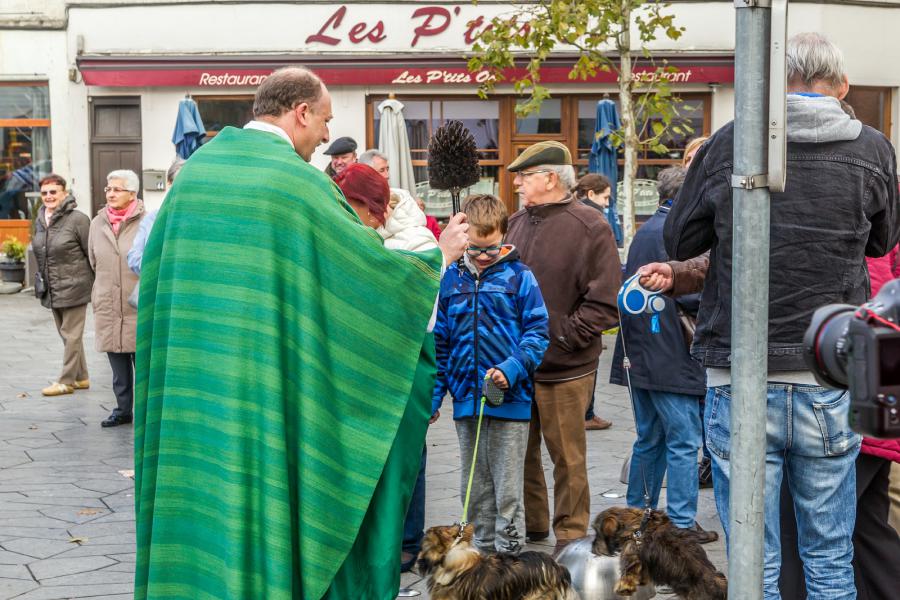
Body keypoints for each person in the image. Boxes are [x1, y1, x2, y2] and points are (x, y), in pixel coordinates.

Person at [133, 66, 468, 600]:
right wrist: (436, 258)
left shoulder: (195, 174)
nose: (321, 139)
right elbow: (363, 279)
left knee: (204, 509)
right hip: (266, 390)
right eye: (324, 121)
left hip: (196, 392)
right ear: (301, 113)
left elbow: (154, 278)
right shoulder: (296, 183)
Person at [663, 33, 900, 599]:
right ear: (840, 86)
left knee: (753, 559)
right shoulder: (872, 149)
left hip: (741, 369)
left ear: (773, 83)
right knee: (829, 557)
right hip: (828, 367)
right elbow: (884, 240)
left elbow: (679, 235)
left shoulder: (733, 143)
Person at [505, 141, 621, 555]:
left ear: (550, 178)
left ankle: (571, 536)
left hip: (565, 366)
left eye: (524, 176)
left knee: (567, 458)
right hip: (519, 366)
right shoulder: (515, 222)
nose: (516, 183)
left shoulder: (591, 226)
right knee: (521, 453)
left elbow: (605, 303)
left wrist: (562, 338)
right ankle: (535, 527)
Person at [334, 161, 440, 573]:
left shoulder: (412, 240)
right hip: (377, 363)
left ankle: (406, 541)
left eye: (350, 208)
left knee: (406, 455)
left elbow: (418, 310)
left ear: (371, 206)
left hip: (408, 357)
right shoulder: (373, 232)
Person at [431, 193, 549, 554]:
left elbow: (538, 334)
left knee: (507, 488)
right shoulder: (450, 278)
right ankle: (482, 557)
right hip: (467, 402)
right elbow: (441, 344)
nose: (483, 258)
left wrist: (511, 370)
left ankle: (510, 560)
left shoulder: (520, 277)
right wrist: (435, 398)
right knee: (475, 485)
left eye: (491, 249)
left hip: (509, 401)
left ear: (504, 236)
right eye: (475, 250)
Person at [609, 167, 716, 544]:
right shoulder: (678, 233)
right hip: (673, 354)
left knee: (649, 438)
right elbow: (689, 293)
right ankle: (683, 523)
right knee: (684, 441)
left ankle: (636, 514)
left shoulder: (647, 229)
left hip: (641, 354)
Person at [88, 169, 144, 428]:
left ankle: (145, 411)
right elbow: (93, 260)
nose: (110, 194)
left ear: (132, 193)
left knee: (143, 364)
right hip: (109, 303)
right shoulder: (97, 222)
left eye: (117, 189)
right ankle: (122, 410)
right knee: (117, 366)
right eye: (108, 189)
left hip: (136, 303)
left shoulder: (146, 221)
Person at [32, 174, 94, 397]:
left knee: (72, 334)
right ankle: (82, 377)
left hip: (76, 285)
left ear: (64, 194)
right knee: (67, 335)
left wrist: (94, 283)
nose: (48, 196)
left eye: (53, 192)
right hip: (52, 286)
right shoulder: (41, 220)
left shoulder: (77, 219)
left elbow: (91, 253)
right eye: (44, 193)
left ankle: (65, 381)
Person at [573, 173, 615, 431]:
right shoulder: (594, 219)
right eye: (605, 197)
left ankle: (587, 410)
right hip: (585, 304)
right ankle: (587, 412)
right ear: (591, 194)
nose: (608, 203)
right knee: (590, 361)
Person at [127, 158, 184, 275]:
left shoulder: (201, 220)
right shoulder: (152, 219)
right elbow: (133, 257)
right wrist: (162, 268)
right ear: (169, 183)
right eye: (180, 182)